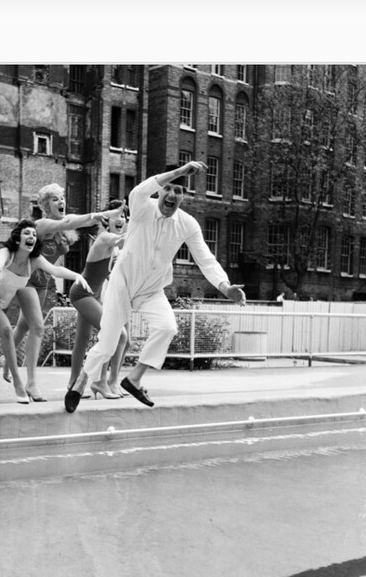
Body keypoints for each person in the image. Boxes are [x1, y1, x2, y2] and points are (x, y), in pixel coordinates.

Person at [64, 161, 247, 412]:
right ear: (160, 190)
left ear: (184, 196)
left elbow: (205, 257)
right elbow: (139, 190)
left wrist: (225, 287)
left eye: (179, 191)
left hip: (152, 289)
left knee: (167, 327)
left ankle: (134, 378)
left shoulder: (188, 224)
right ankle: (82, 380)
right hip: (123, 283)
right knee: (107, 343)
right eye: (168, 189)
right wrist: (180, 172)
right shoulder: (142, 207)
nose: (172, 195)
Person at [0, 184, 124, 402]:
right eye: (55, 199)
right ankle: (31, 383)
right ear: (46, 205)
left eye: (62, 197)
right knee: (37, 327)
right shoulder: (43, 224)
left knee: (24, 326)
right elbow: (69, 221)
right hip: (26, 279)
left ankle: (5, 359)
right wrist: (103, 214)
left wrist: (101, 217)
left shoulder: (63, 231)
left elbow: (76, 222)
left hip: (43, 282)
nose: (61, 202)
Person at [0, 220, 90, 405]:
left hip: (0, 300)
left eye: (33, 234)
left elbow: (55, 269)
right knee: (6, 328)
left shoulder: (35, 260)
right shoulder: (6, 253)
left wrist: (77, 276)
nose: (31, 237)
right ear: (17, 238)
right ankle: (18, 384)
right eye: (26, 233)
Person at [67, 199, 132, 399]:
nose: (121, 220)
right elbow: (125, 240)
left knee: (84, 338)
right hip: (82, 293)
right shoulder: (104, 238)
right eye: (116, 216)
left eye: (124, 216)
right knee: (116, 334)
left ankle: (76, 382)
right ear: (106, 221)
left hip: (94, 294)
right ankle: (100, 382)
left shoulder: (114, 246)